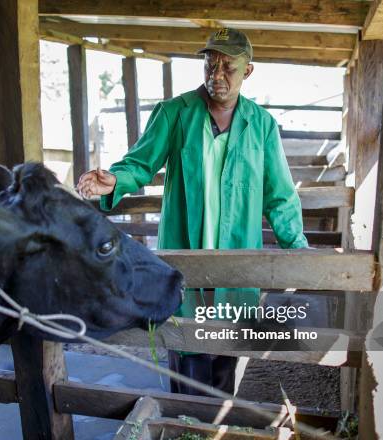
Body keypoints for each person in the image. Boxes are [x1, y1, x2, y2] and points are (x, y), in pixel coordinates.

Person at [77, 28, 308, 396]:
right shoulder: (175, 113)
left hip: (235, 262)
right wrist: (113, 180)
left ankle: (214, 428)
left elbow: (279, 195)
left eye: (227, 67)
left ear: (247, 72)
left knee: (226, 354)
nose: (216, 75)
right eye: (210, 64)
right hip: (184, 256)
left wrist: (299, 251)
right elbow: (140, 163)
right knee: (185, 349)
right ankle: (182, 423)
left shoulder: (261, 126)